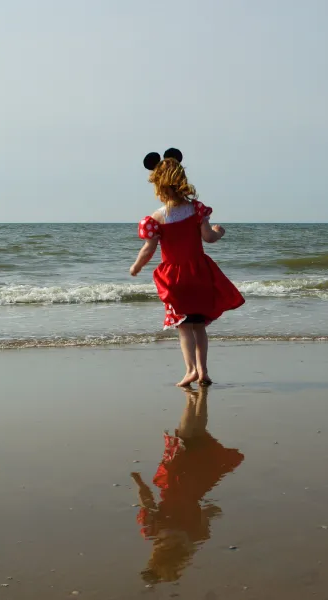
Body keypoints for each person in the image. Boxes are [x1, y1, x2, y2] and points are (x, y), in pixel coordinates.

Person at [129, 155, 244, 386]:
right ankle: (203, 371)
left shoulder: (156, 218)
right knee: (199, 325)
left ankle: (190, 370)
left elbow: (148, 249)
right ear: (182, 180)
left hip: (174, 279)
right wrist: (219, 231)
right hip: (199, 274)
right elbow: (208, 238)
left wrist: (136, 267)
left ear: (158, 184)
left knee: (183, 327)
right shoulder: (197, 210)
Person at [131, 387, 244, 583]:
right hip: (176, 481)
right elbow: (147, 501)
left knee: (197, 435)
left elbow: (203, 515)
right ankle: (192, 399)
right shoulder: (155, 532)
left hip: (195, 483)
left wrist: (210, 511)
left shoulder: (193, 538)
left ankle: (198, 397)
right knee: (187, 436)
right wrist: (138, 482)